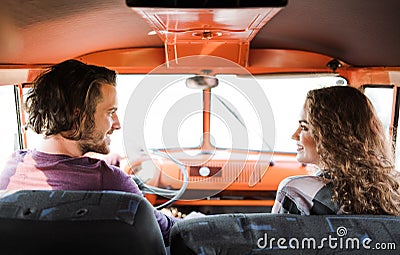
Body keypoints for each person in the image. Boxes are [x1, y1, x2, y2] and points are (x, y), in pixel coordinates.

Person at [0, 59, 177, 244]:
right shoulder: (109, 181)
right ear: (79, 116)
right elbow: (170, 233)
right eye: (110, 112)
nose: (117, 124)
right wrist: (194, 218)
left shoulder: (13, 168)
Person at [271, 86, 400, 215]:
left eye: (304, 127)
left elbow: (274, 234)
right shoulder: (392, 191)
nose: (294, 135)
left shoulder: (295, 191)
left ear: (331, 135)